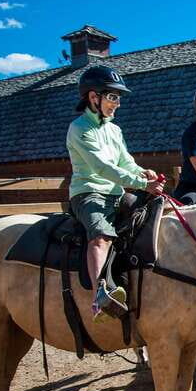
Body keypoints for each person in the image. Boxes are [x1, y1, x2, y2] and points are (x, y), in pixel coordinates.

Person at [67, 65, 165, 322]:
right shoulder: (79, 129)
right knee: (99, 236)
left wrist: (143, 173)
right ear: (93, 97)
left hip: (116, 193)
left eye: (118, 98)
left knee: (150, 216)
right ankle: (100, 293)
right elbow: (102, 167)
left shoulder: (114, 130)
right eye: (112, 96)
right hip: (89, 193)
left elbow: (125, 162)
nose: (117, 103)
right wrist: (141, 184)